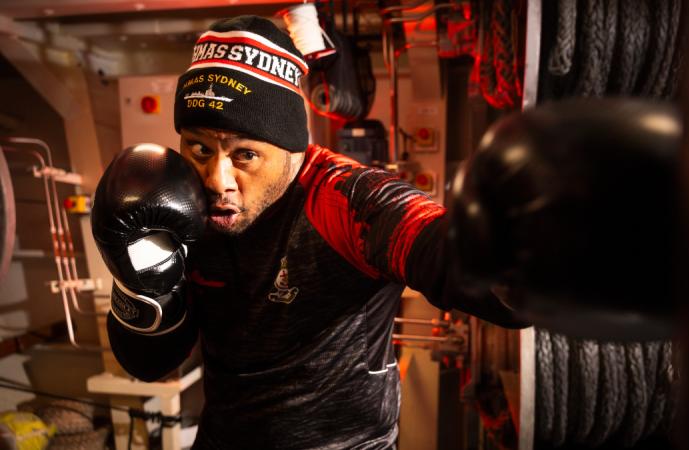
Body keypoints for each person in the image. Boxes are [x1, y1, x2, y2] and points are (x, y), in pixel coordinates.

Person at [92, 16, 526, 449]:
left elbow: (444, 250)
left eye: (244, 154)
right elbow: (149, 363)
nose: (216, 180)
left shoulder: (347, 197)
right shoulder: (182, 200)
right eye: (200, 148)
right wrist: (139, 280)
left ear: (292, 148)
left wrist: (526, 253)